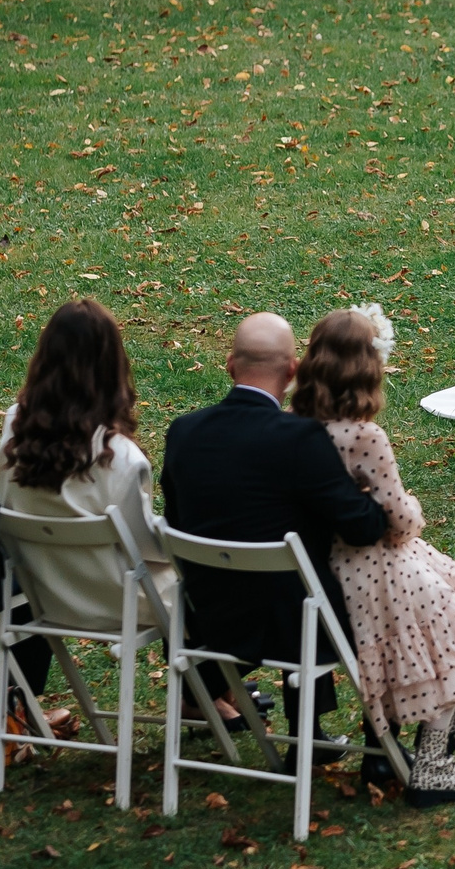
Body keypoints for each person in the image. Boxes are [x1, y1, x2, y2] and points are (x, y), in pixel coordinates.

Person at [292, 307, 455, 804]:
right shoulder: (365, 436)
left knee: (449, 586)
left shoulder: (298, 428)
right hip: (373, 566)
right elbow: (401, 518)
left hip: (329, 564)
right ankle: (433, 761)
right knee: (447, 626)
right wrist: (409, 507)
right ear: (368, 369)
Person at [159, 313, 389, 741]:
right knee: (318, 578)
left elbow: (176, 522)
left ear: (229, 365)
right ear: (292, 370)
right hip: (293, 624)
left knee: (295, 565)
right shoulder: (299, 437)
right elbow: (362, 528)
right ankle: (350, 739)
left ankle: (305, 733)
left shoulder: (184, 431)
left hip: (205, 616)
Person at [0, 299, 175, 630]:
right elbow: (147, 547)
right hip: (118, 603)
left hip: (42, 594)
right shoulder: (123, 459)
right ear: (112, 367)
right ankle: (210, 684)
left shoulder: (13, 427)